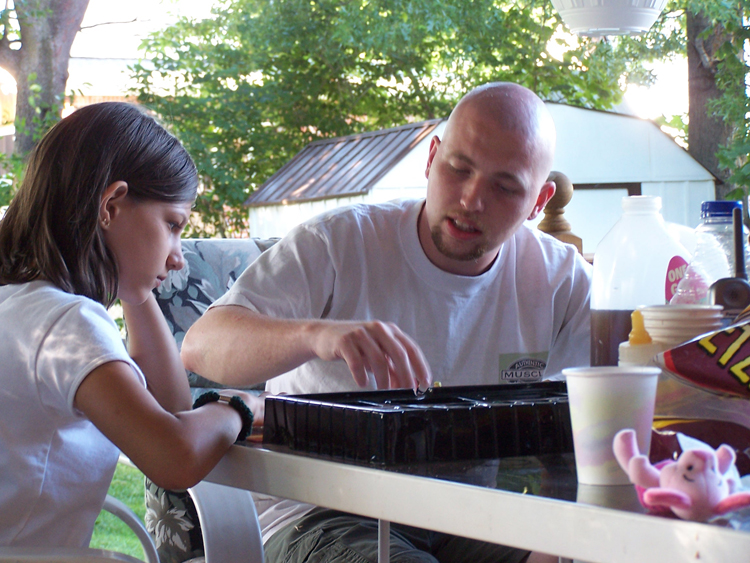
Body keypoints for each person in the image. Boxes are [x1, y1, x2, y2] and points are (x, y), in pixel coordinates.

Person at [182, 82, 592, 563]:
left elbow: (600, 422)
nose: (471, 199)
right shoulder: (340, 242)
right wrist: (315, 334)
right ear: (432, 157)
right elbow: (202, 346)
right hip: (321, 512)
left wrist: (563, 543)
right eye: (458, 169)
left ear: (540, 200)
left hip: (468, 515)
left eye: (505, 187)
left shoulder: (562, 279)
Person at [0, 102, 264, 548]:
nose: (178, 256)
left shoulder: (19, 305)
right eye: (172, 224)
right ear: (111, 205)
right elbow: (174, 455)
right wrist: (237, 406)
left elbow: (170, 406)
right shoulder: (65, 322)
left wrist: (137, 291)